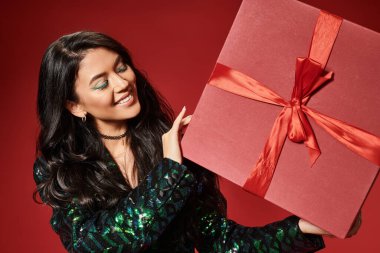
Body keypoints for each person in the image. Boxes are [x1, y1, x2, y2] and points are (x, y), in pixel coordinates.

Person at [33, 31, 361, 253]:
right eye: (102, 83)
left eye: (122, 67)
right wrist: (169, 170)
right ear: (75, 105)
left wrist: (303, 228)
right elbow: (101, 244)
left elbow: (221, 244)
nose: (123, 82)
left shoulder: (177, 145)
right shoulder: (59, 167)